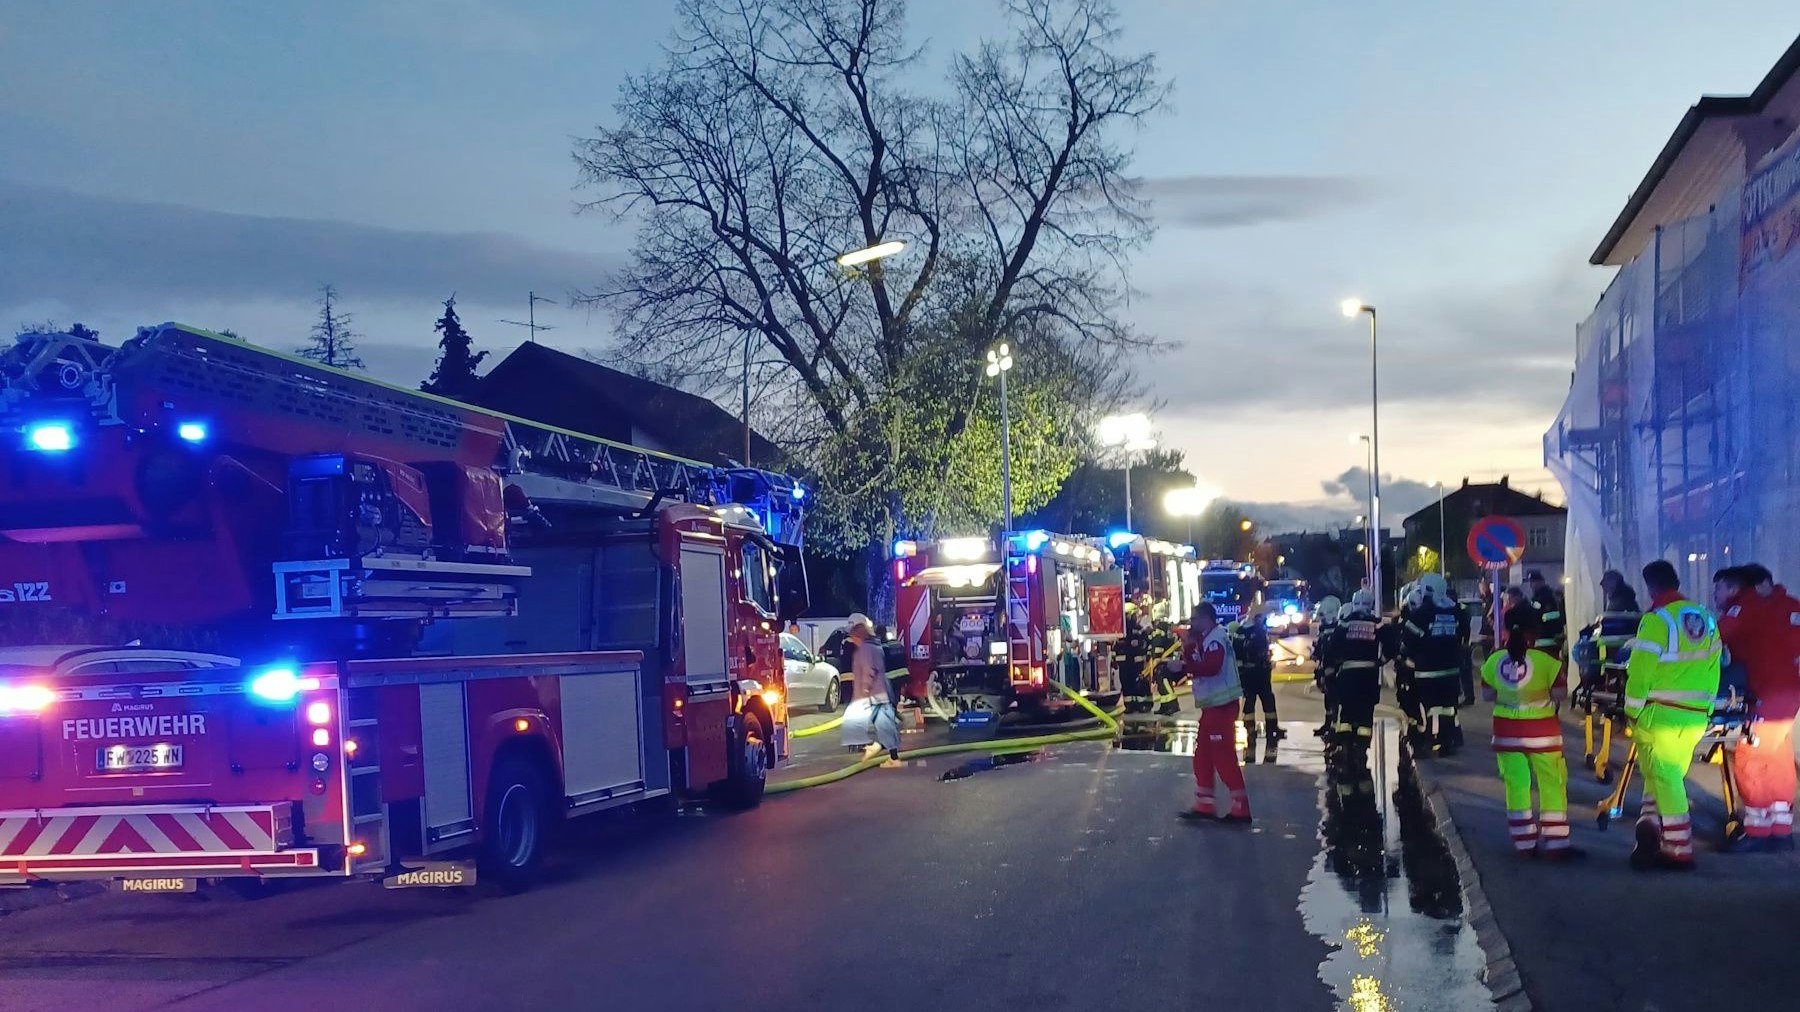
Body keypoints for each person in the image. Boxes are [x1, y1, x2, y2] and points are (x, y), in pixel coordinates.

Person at [1624, 560, 1722, 871]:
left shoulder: (1657, 620)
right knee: (1665, 776)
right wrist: (1707, 708)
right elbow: (1714, 667)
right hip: (1695, 716)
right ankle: (1651, 824)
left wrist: (1631, 710)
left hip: (1660, 715)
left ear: (1651, 588)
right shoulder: (1706, 618)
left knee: (1663, 777)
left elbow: (1640, 672)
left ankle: (1678, 848)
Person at [1716, 565, 1800, 851]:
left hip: (1765, 693)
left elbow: (1713, 638)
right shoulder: (1790, 605)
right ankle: (1781, 828)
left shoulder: (1747, 606)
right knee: (1778, 758)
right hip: (1789, 692)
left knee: (1751, 757)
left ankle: (1757, 829)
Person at [1480, 628, 1579, 860]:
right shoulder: (1546, 661)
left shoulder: (1494, 660)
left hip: (1506, 734)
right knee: (1551, 784)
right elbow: (1561, 694)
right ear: (1532, 635)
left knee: (1516, 787)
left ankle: (1524, 843)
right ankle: (1557, 843)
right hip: (1543, 735)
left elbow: (1487, 696)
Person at [1179, 602, 1250, 823]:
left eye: (1195, 619)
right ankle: (1204, 803)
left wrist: (1184, 667)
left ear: (1206, 619)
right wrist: (1188, 649)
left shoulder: (1215, 640)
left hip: (1222, 707)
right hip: (1212, 707)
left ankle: (1240, 808)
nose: (1192, 624)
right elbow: (1199, 663)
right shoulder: (1208, 639)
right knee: (1204, 754)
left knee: (1222, 755)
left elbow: (1211, 667)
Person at [1404, 573, 1470, 755]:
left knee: (1429, 708)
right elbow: (1464, 635)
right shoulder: (1457, 611)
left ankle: (1428, 741)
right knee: (1448, 708)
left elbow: (1409, 641)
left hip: (1427, 671)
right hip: (1451, 670)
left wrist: (1408, 658)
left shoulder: (1421, 613)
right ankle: (1446, 741)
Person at [847, 613, 902, 768]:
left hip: (872, 695)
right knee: (885, 725)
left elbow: (868, 671)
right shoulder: (876, 647)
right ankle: (890, 754)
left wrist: (864, 691)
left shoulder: (865, 649)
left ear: (858, 636)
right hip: (880, 692)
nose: (853, 641)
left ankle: (882, 750)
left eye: (854, 637)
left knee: (880, 725)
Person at [1333, 590, 1383, 756]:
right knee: (1366, 712)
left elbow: (1333, 645)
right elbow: (1392, 644)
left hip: (1348, 675)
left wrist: (1336, 663)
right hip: (1369, 675)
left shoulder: (1345, 623)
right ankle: (1362, 748)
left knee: (1347, 711)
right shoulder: (1376, 624)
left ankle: (1345, 745)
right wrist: (1381, 660)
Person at [1233, 605, 1283, 741]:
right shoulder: (1256, 631)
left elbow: (1236, 653)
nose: (1263, 620)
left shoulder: (1242, 630)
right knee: (1264, 700)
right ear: (1256, 618)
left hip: (1250, 673)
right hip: (1257, 672)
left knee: (1252, 700)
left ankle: (1253, 729)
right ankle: (1269, 728)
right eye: (1262, 617)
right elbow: (1258, 652)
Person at [1385, 583, 1423, 746]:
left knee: (1408, 701)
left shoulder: (1401, 622)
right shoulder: (1424, 617)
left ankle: (1414, 733)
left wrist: (1390, 657)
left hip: (1408, 668)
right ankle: (1417, 732)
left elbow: (1396, 644)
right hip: (1420, 668)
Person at [1312, 596, 1344, 739]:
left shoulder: (1335, 630)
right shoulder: (1326, 629)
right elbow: (1321, 646)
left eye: (1323, 617)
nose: (1322, 621)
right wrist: (1316, 653)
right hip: (1326, 667)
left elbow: (1329, 649)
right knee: (1328, 698)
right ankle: (1328, 724)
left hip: (1334, 669)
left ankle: (1333, 728)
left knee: (1334, 698)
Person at [1115, 603, 1154, 714]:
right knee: (1127, 684)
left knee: (1139, 683)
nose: (1136, 617)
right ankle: (1130, 705)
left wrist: (1146, 655)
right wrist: (1114, 659)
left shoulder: (1137, 630)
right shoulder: (1120, 632)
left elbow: (1146, 642)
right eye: (1134, 615)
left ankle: (1143, 704)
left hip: (1136, 663)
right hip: (1125, 663)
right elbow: (1115, 646)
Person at [1526, 571, 1566, 657]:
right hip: (1556, 637)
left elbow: (1539, 616)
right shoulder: (1554, 595)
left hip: (1545, 638)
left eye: (1533, 582)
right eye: (1531, 582)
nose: (1531, 585)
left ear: (1541, 582)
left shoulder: (1542, 598)